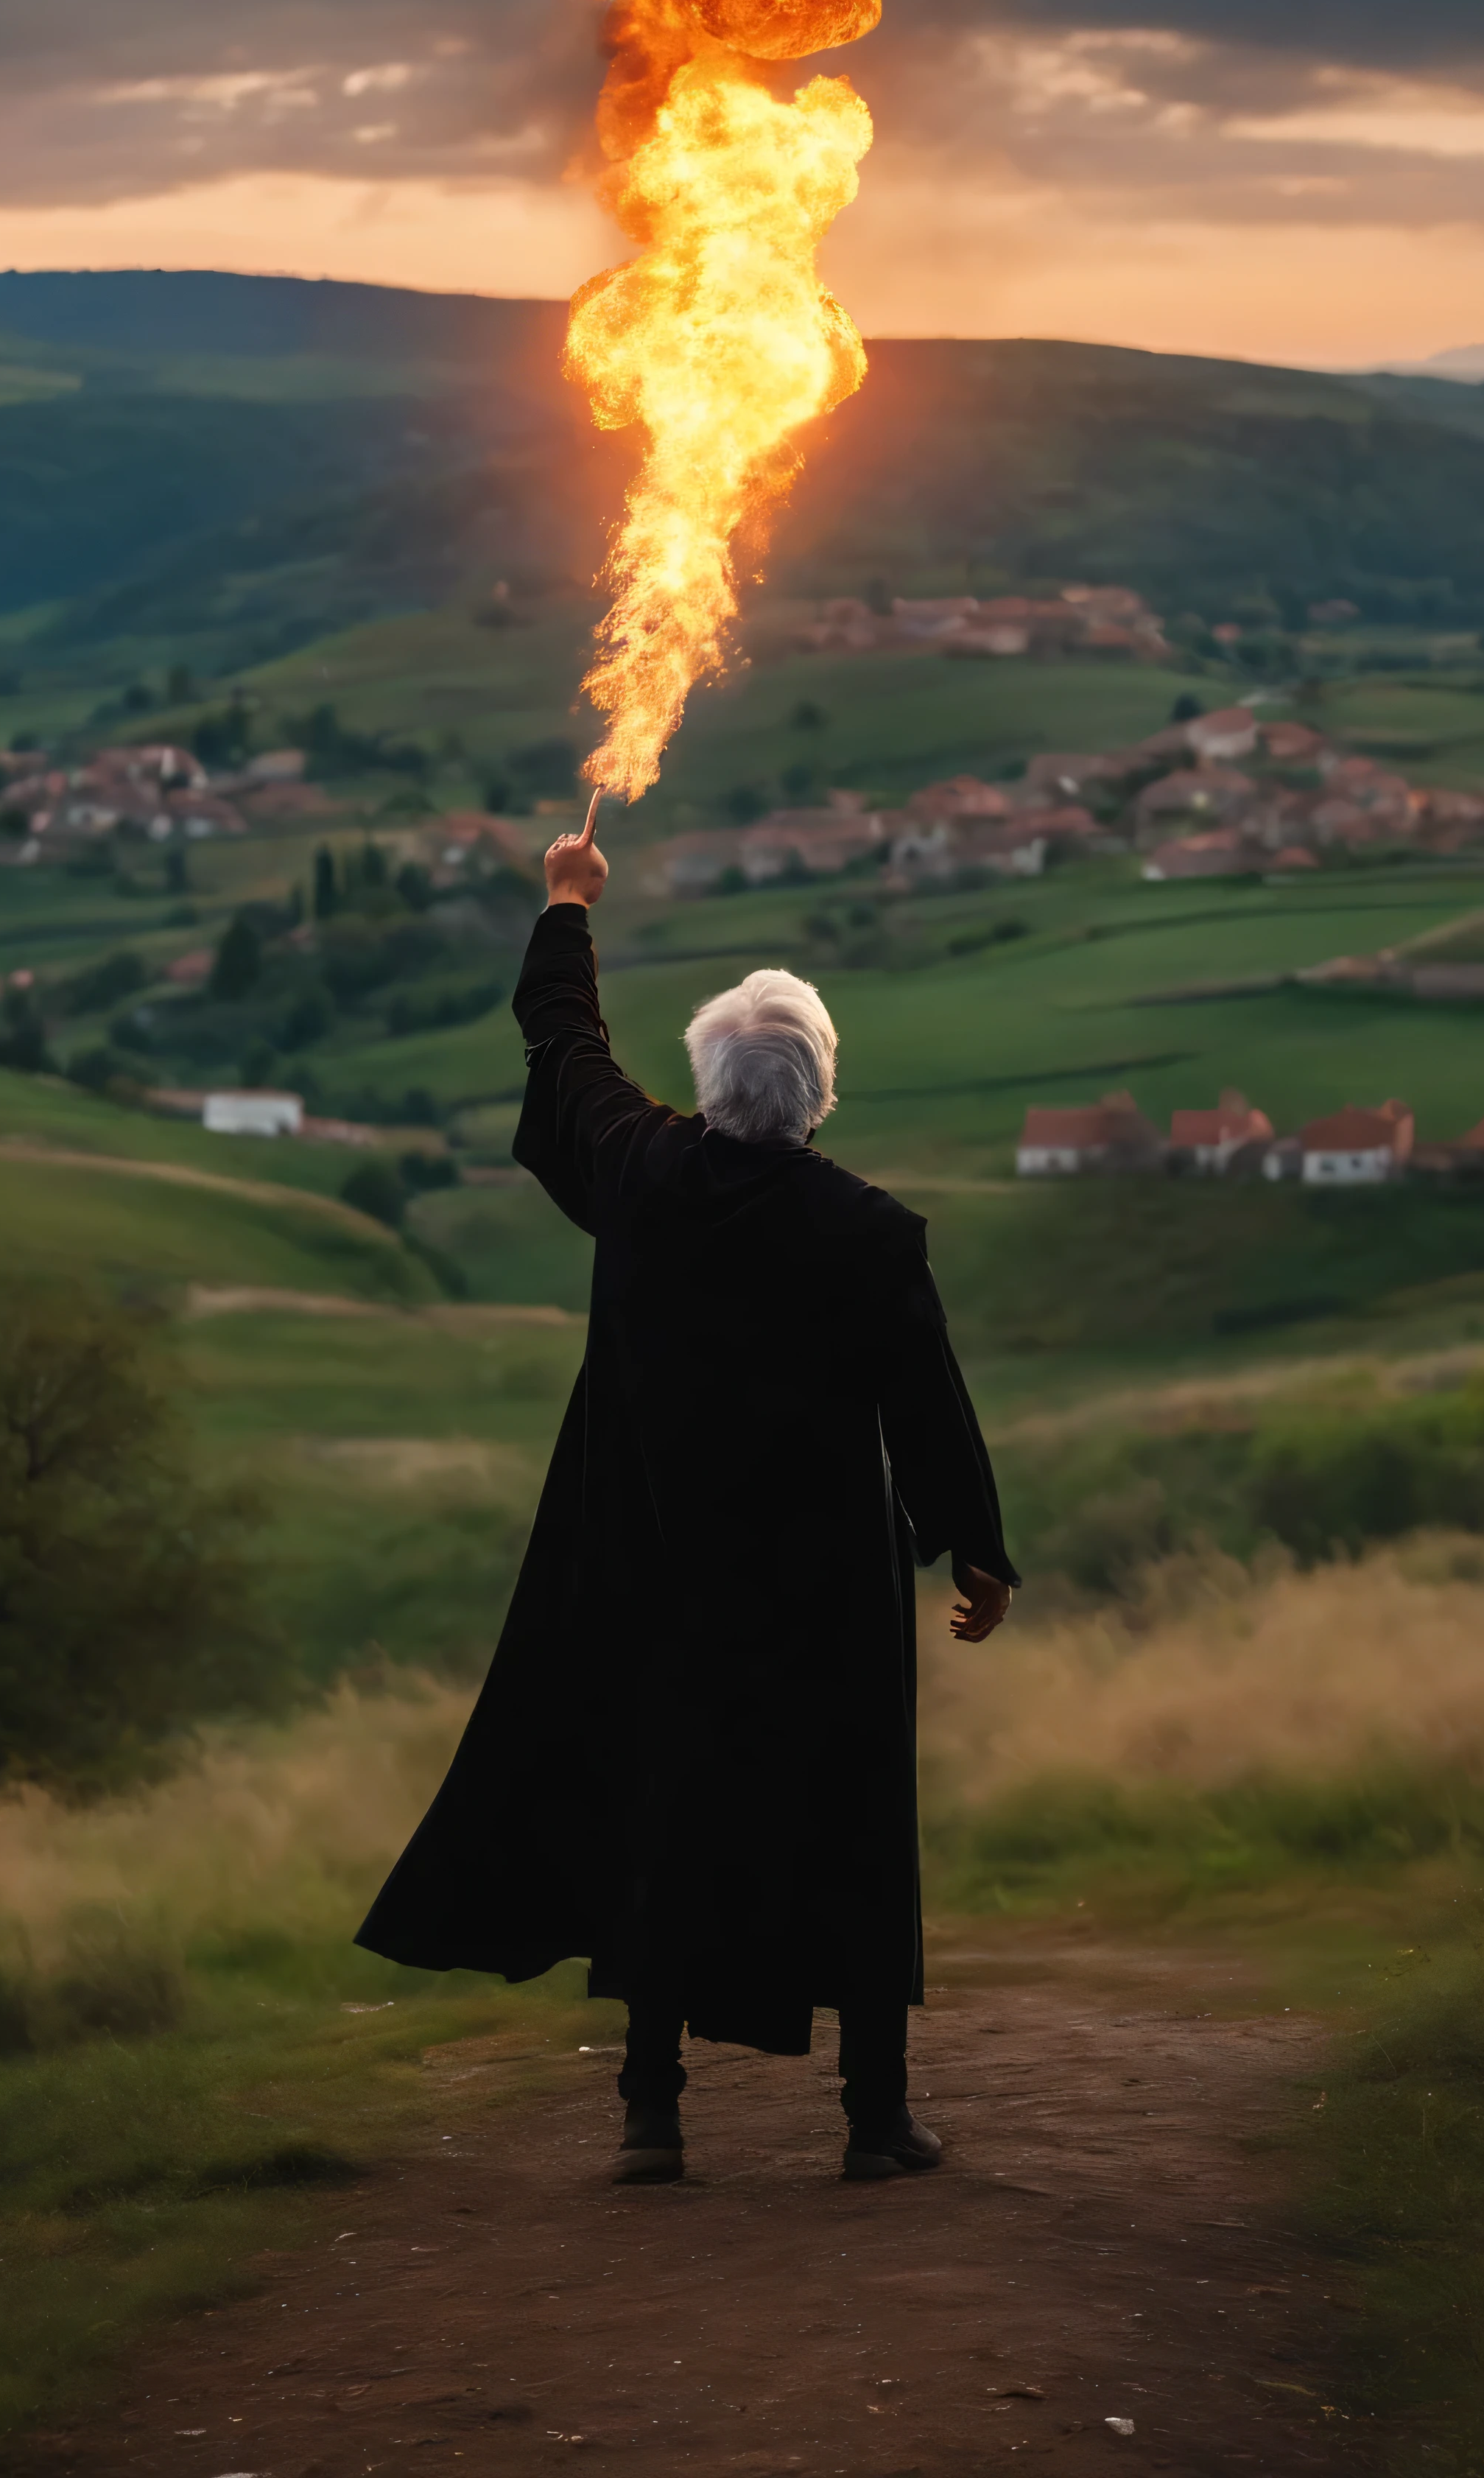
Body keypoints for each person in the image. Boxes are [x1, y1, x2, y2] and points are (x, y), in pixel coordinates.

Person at [356, 793, 1019, 2185]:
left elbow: (564, 1041)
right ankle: (876, 2124)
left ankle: (652, 2114)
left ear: (712, 1083)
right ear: (819, 1089)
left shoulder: (644, 1174)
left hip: (660, 1577)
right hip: (827, 1590)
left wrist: (569, 902)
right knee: (851, 1828)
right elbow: (926, 1405)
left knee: (662, 1814)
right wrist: (975, 1552)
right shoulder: (869, 1234)